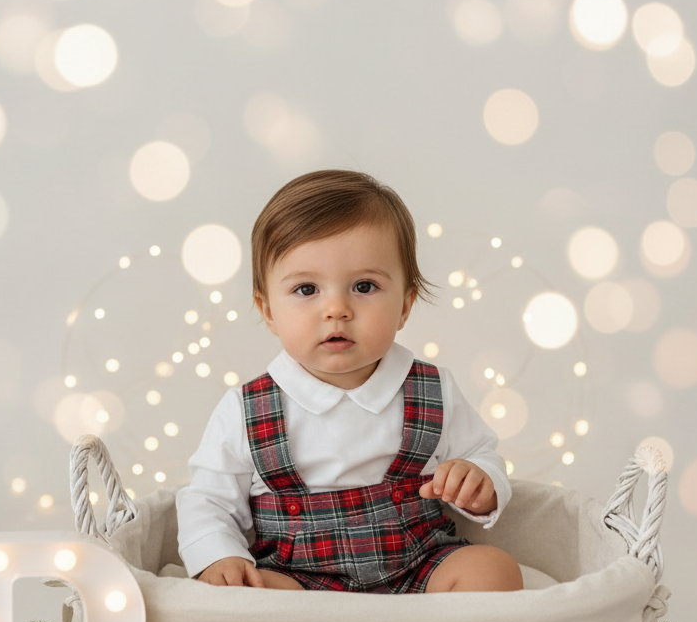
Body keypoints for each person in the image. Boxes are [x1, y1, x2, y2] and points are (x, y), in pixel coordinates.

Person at [176, 169, 523, 594]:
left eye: (364, 286)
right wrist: (218, 555)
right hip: (301, 582)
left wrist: (479, 481)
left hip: (420, 568)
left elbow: (482, 454)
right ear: (268, 311)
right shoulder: (247, 408)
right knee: (247, 597)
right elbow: (209, 499)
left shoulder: (432, 389)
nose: (336, 308)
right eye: (306, 289)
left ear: (405, 306)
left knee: (493, 569)